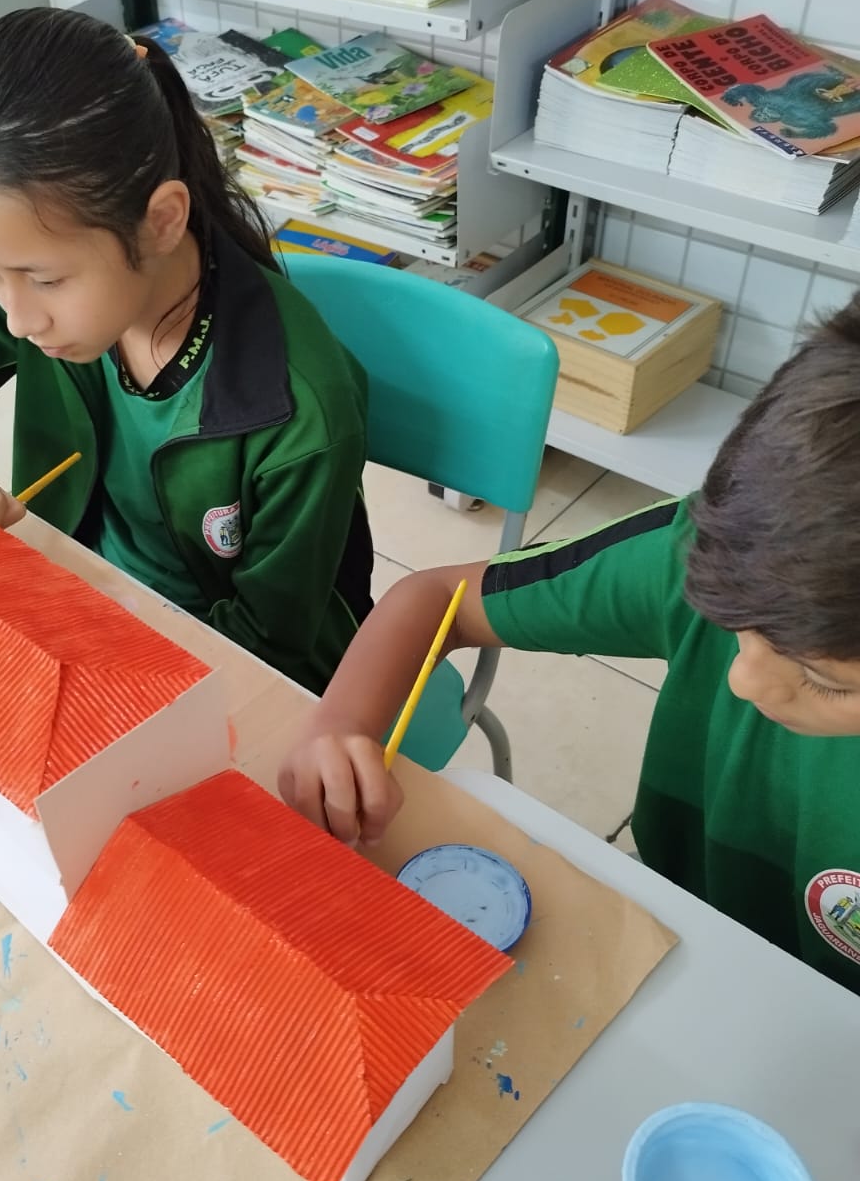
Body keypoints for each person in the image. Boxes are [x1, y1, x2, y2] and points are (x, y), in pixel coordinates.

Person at [279, 297, 860, 992]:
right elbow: (435, 600)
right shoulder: (715, 556)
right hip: (687, 922)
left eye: (828, 681)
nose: (745, 682)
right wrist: (341, 724)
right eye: (730, 626)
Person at [0, 8, 372, 694]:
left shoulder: (298, 410)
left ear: (162, 222)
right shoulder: (32, 287)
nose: (16, 317)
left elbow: (269, 645)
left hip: (234, 672)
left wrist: (83, 655)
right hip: (81, 603)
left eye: (45, 279)